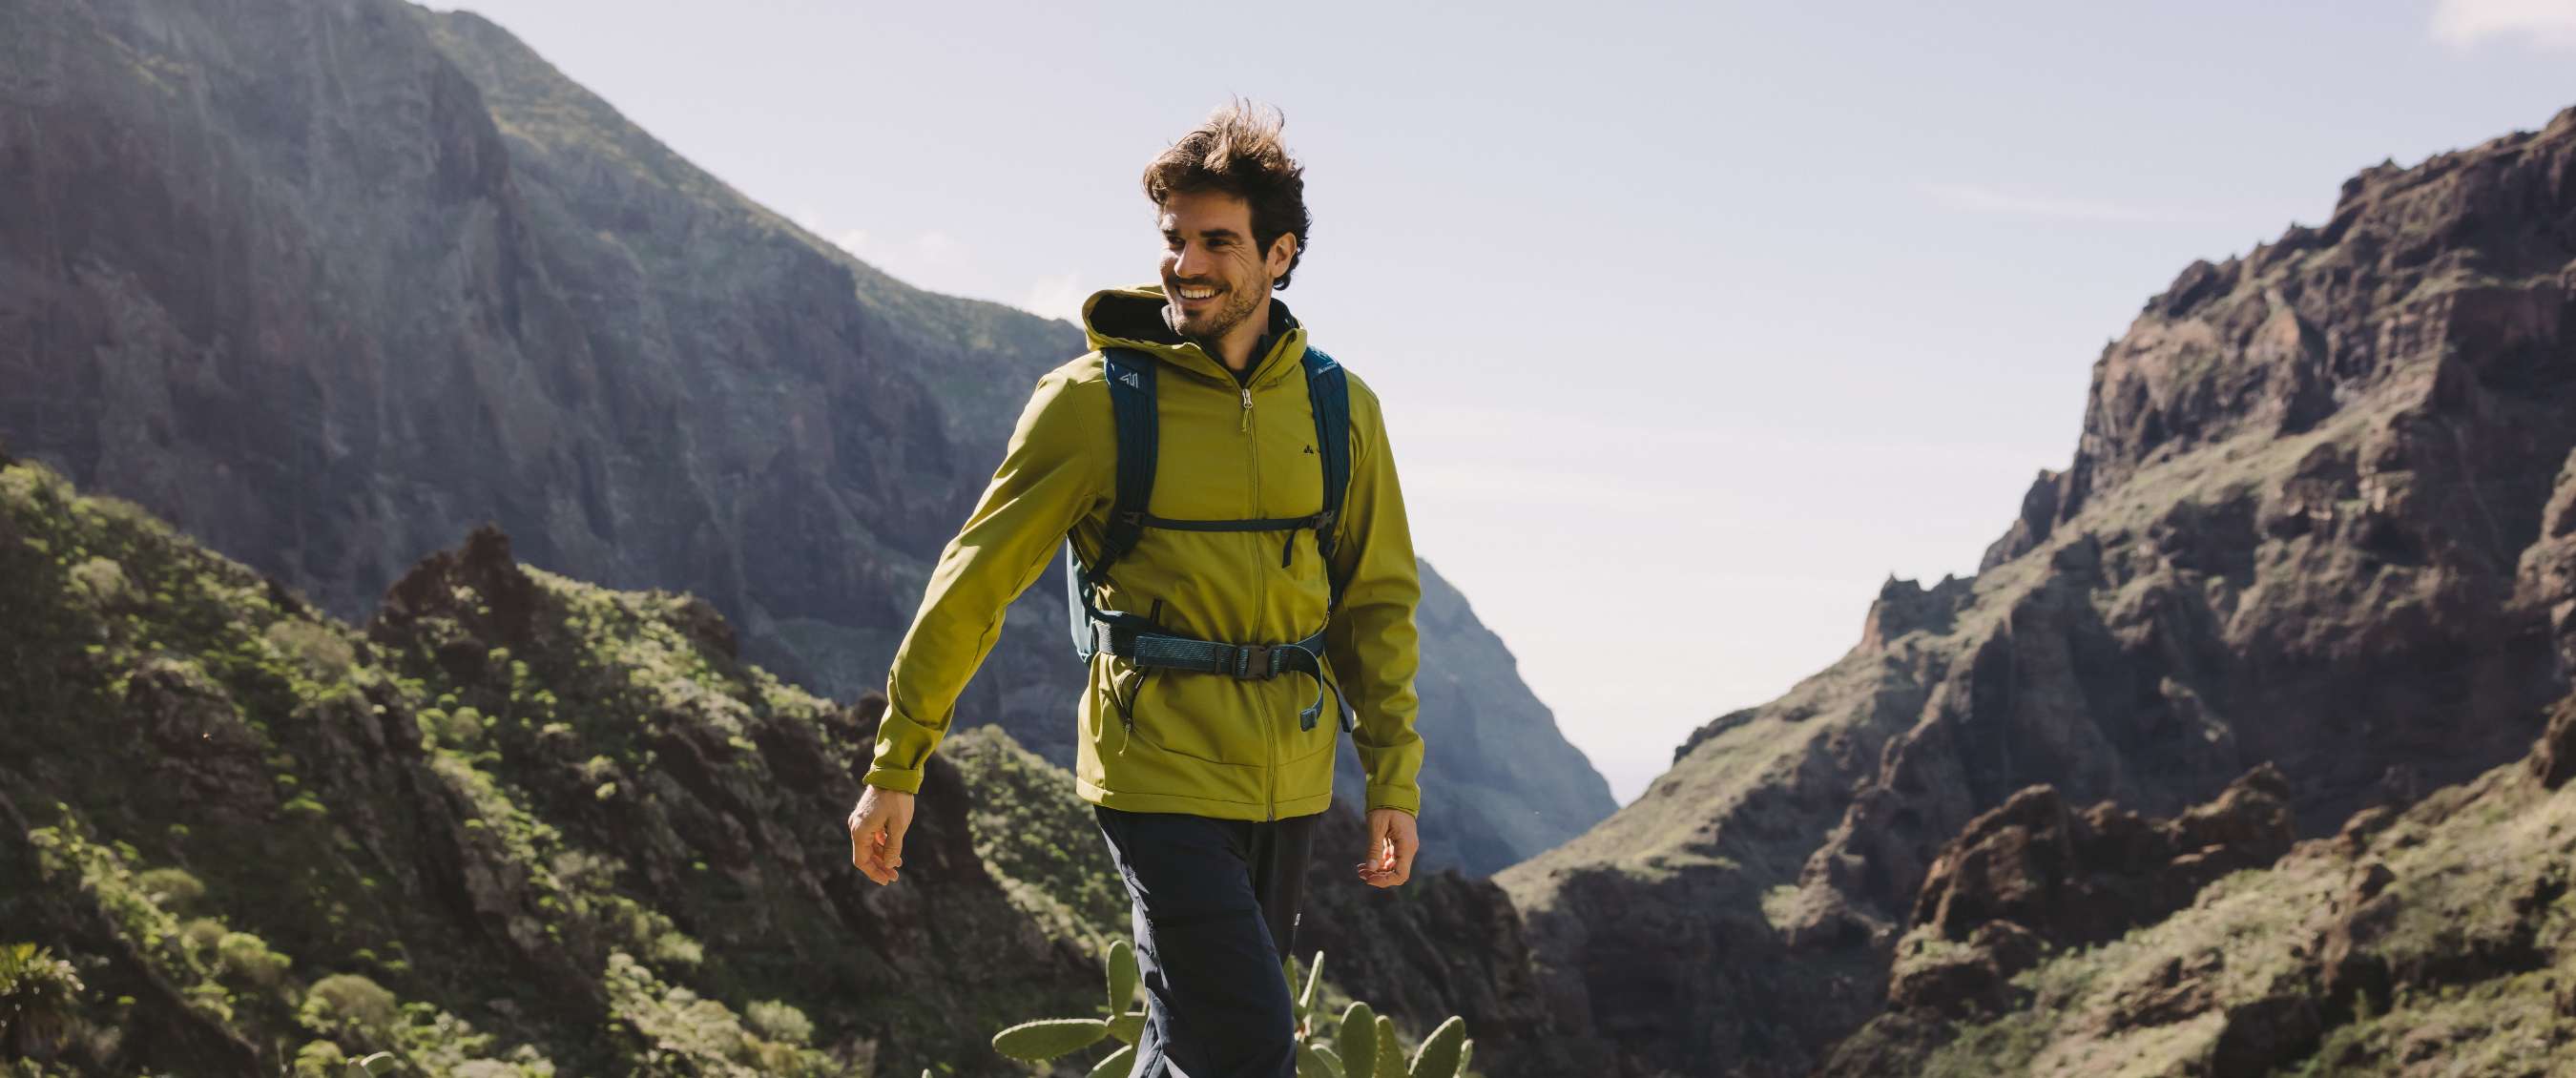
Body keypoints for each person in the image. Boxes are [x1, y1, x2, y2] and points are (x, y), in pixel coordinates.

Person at [843, 100, 1425, 1076]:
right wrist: (898, 762)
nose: (1187, 264)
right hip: (1155, 768)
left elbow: (1375, 604)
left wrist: (1392, 779)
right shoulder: (1091, 403)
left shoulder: (1339, 407)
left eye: (1218, 242)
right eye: (1175, 239)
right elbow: (972, 583)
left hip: (1289, 774)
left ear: (1280, 254)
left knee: (1190, 1041)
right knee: (1246, 1044)